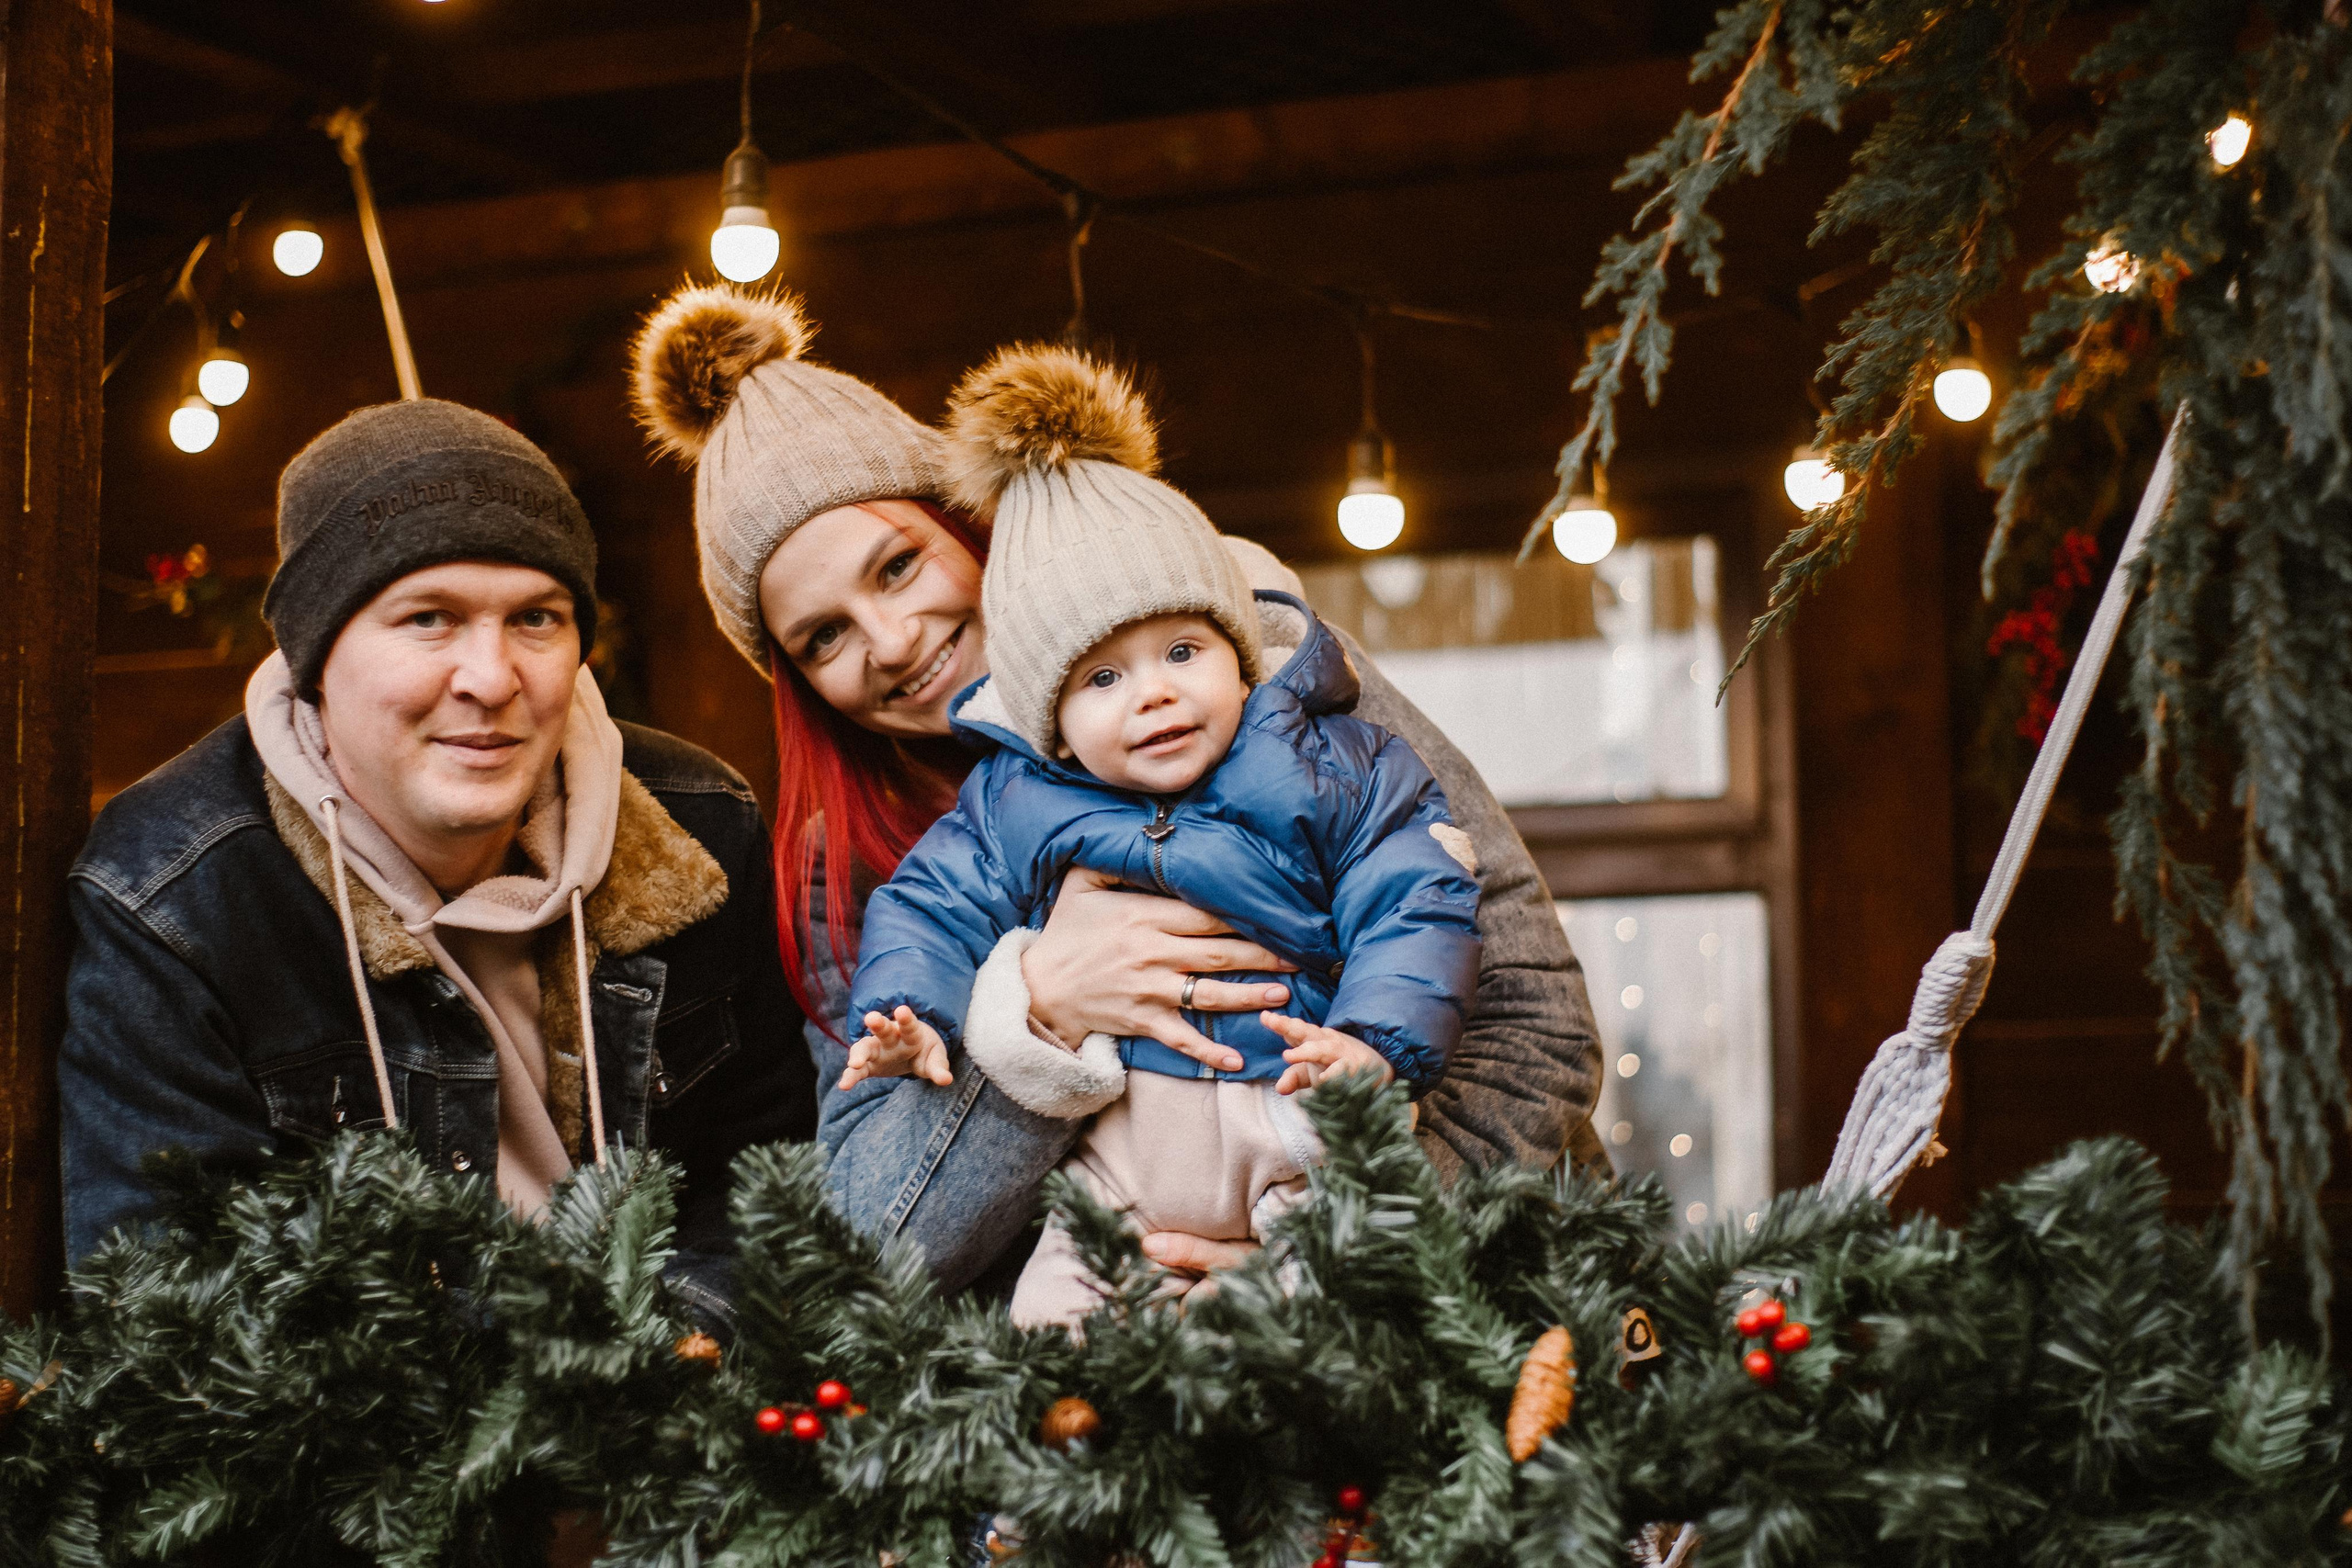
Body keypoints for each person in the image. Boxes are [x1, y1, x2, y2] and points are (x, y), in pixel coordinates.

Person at [629, 283, 1607, 1294]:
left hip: (1459, 1318)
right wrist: (1040, 1011)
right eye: (822, 636)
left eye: (898, 566)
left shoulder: (1262, 667)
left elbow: (1534, 1018)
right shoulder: (855, 873)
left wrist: (1329, 1259)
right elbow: (865, 1245)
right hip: (1118, 1351)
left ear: (966, 523)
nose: (890, 640)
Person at [58, 399, 813, 1324]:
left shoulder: (700, 827)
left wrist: (653, 1360)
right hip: (363, 1413)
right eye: (428, 618)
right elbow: (170, 1305)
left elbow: (772, 1185)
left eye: (536, 619)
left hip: (675, 1382)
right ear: (314, 657)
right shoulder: (174, 895)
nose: (491, 679)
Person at [838, 344, 1484, 1325]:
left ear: (1239, 653)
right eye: (1102, 678)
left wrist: (1376, 1044)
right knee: (1053, 1322)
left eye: (1183, 650)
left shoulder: (1330, 760)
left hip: (1291, 1106)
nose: (1154, 693)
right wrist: (908, 1009)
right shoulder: (1015, 799)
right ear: (1050, 722)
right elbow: (931, 902)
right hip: (1121, 1151)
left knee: (1327, 1311)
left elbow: (1417, 894)